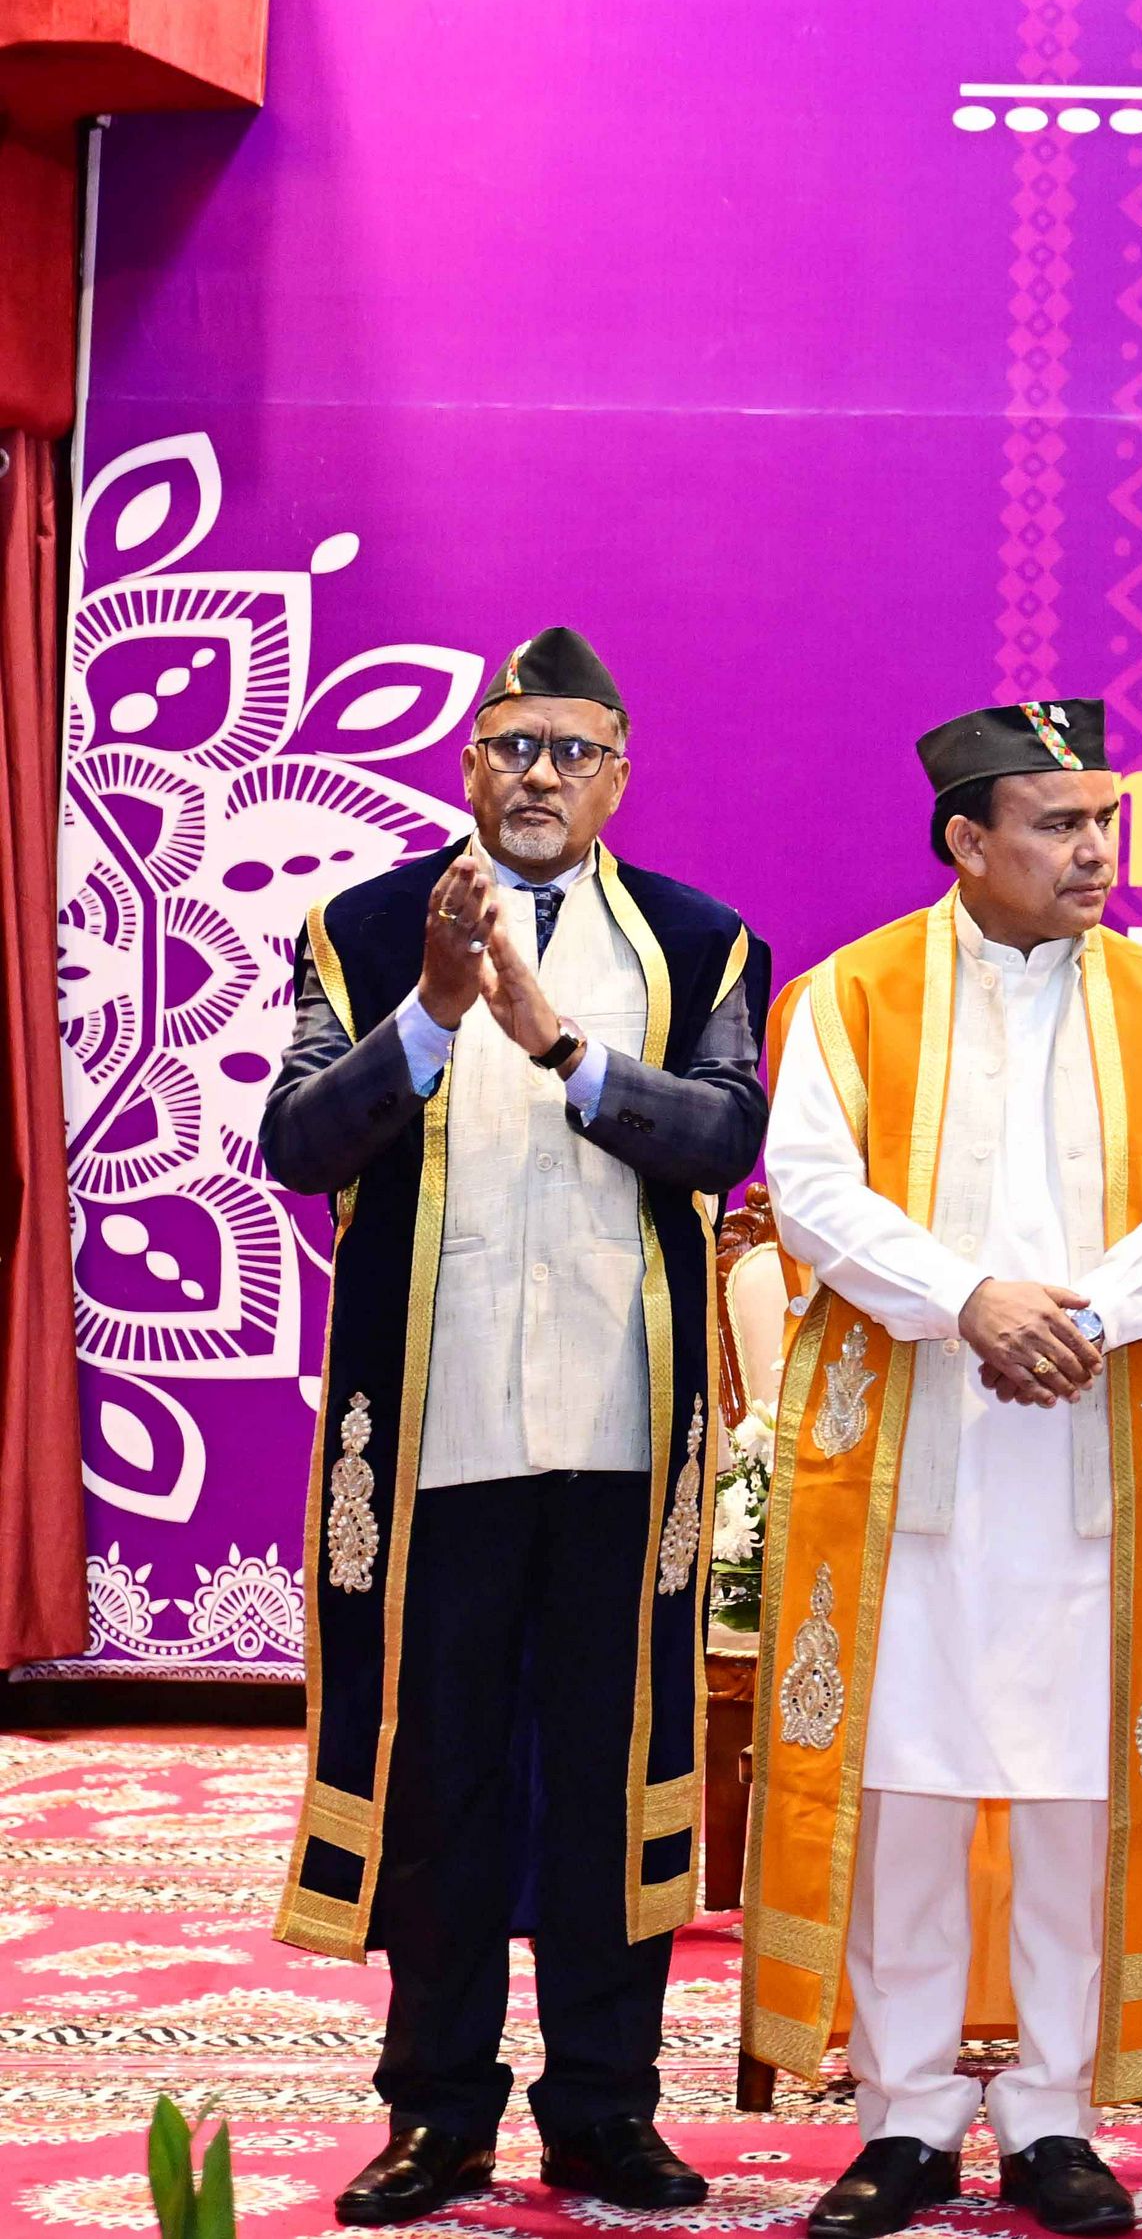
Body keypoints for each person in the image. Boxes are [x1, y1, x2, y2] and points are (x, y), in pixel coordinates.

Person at [260, 629, 767, 2228]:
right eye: (511, 746)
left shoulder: (699, 940)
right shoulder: (359, 929)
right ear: (468, 763)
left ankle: (607, 2109)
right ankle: (437, 2113)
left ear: (619, 774)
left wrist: (559, 1042)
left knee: (615, 1775)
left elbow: (724, 1138)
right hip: (436, 1432)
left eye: (571, 749)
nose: (538, 774)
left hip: (623, 1437)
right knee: (439, 1777)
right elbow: (296, 1139)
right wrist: (428, 1013)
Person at [744, 700, 1142, 2239]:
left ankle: (1052, 2113)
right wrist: (969, 1297)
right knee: (903, 1788)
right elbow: (811, 1190)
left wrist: (1080, 1316)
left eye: (1103, 820)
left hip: (1088, 1452)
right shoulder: (852, 994)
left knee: (1073, 1795)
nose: (1096, 850)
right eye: (1059, 822)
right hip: (913, 1453)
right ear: (969, 839)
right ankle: (900, 2115)